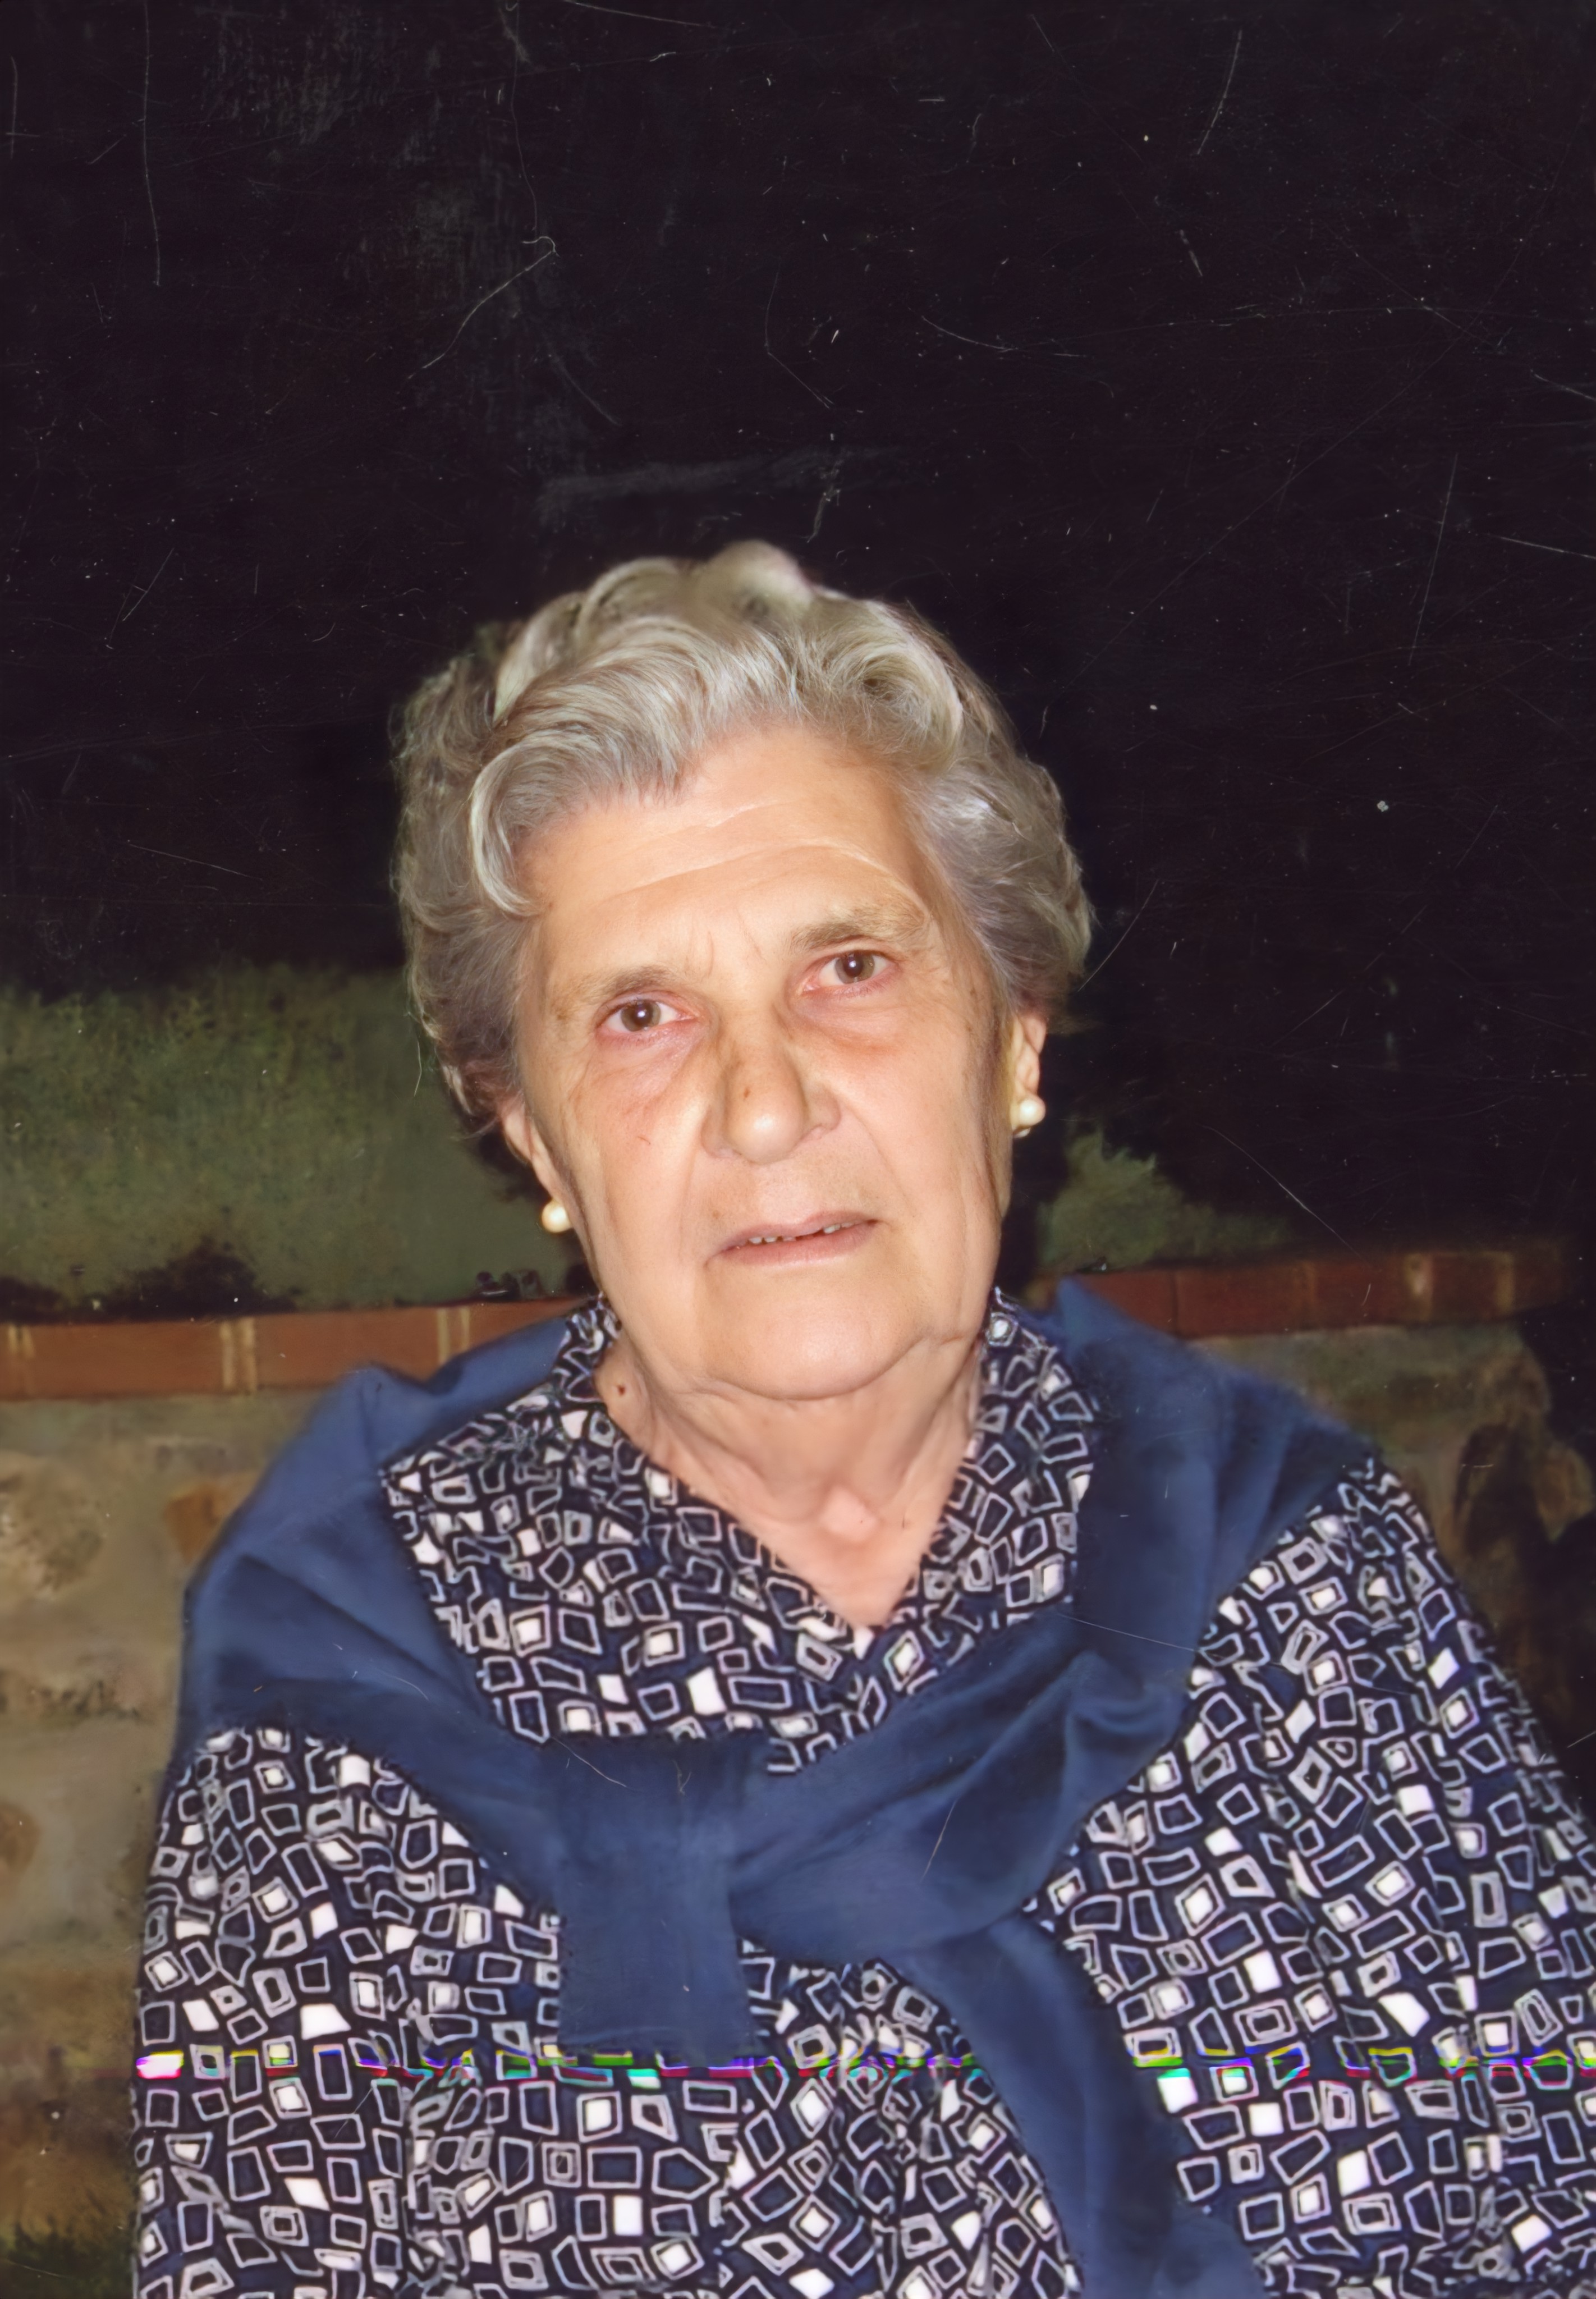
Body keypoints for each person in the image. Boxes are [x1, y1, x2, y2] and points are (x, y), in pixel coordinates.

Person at [134, 545, 1596, 2299]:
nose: (763, 1106)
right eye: (642, 1014)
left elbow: (1549, 2199)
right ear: (534, 1137)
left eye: (847, 966)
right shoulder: (349, 1684)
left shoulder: (1290, 1576)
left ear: (1014, 1040)